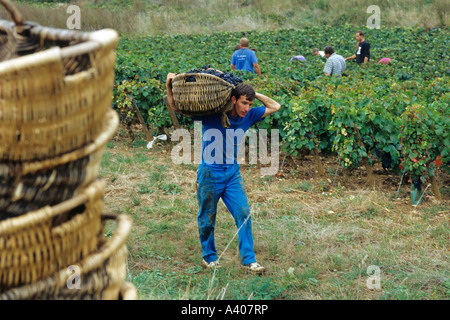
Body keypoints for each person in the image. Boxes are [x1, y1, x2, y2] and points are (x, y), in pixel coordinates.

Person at [165, 72, 280, 273]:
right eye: (244, 103)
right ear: (233, 100)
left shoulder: (250, 115)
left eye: (250, 104)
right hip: (210, 172)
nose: (247, 108)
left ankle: (249, 260)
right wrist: (169, 86)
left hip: (232, 173)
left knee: (243, 213)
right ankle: (209, 257)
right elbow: (176, 106)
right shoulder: (212, 113)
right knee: (207, 217)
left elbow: (275, 106)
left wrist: (253, 93)